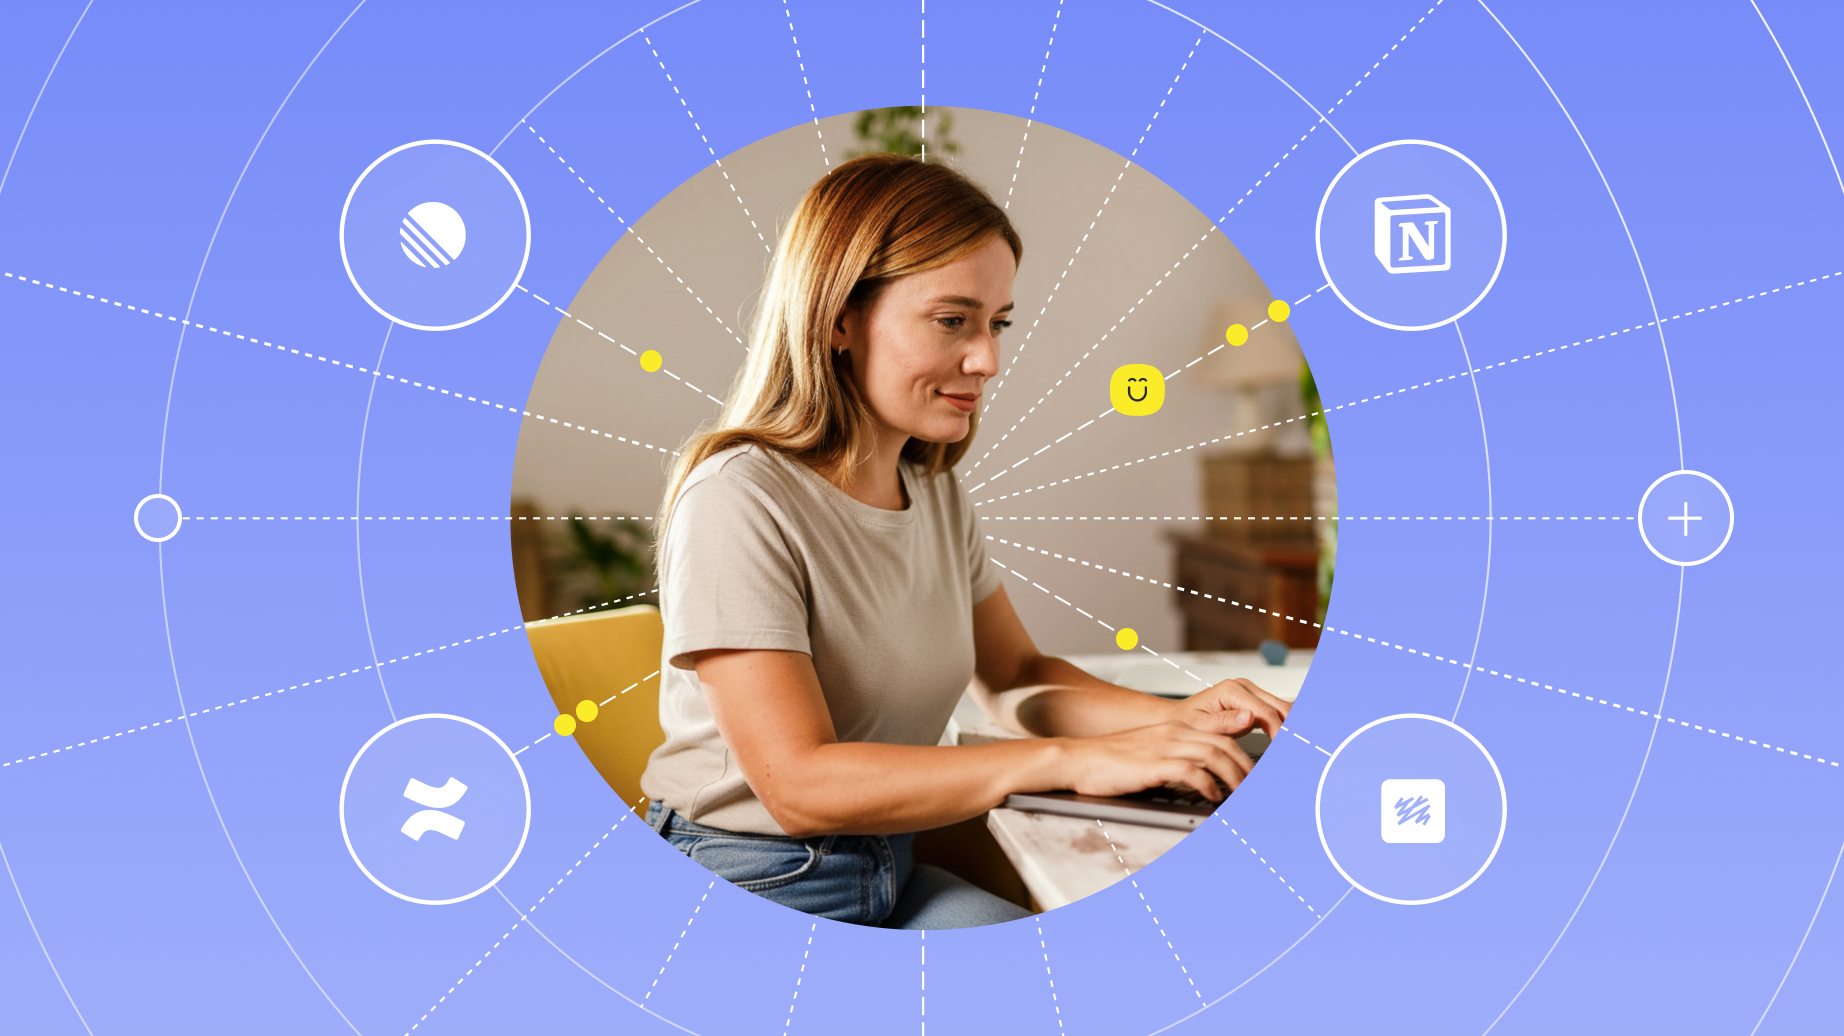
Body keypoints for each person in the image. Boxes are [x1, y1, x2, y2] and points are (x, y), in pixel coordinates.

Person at [639, 153, 1290, 929]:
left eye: (997, 323)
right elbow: (798, 784)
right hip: (753, 881)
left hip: (889, 866)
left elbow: (1014, 674)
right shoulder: (737, 499)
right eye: (953, 321)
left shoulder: (933, 488)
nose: (988, 360)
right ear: (839, 319)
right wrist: (1078, 760)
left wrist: (1176, 722)